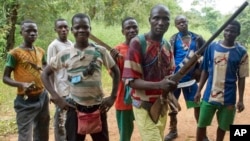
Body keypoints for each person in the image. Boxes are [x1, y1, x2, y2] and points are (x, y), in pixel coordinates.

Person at [41, 13, 120, 141]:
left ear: (90, 29)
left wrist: (112, 97)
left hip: (98, 108)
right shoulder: (64, 54)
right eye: (77, 27)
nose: (81, 30)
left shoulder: (100, 51)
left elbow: (116, 71)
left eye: (85, 27)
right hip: (74, 108)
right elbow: (45, 74)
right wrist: (56, 97)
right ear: (72, 30)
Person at [122, 4, 177, 141]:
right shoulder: (138, 43)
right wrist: (160, 85)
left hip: (162, 104)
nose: (161, 22)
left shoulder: (167, 45)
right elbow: (131, 81)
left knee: (158, 137)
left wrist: (172, 82)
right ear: (149, 20)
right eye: (156, 18)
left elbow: (170, 73)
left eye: (165, 19)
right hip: (143, 105)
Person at [194, 20, 249, 141]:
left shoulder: (242, 52)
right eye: (227, 30)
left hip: (229, 97)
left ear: (238, 33)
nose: (229, 33)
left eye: (233, 31)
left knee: (223, 127)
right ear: (223, 30)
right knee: (201, 124)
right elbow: (205, 70)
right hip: (209, 95)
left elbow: (241, 77)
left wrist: (240, 100)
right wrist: (199, 91)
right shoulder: (212, 47)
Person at [2, 20, 50, 141]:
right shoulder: (14, 54)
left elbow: (45, 67)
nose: (32, 33)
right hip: (25, 100)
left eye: (35, 31)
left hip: (42, 97)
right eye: (28, 31)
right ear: (21, 33)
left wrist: (43, 70)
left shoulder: (40, 51)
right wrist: (21, 84)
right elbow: (5, 78)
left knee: (43, 130)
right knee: (25, 136)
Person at [164, 15, 206, 141]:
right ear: (175, 25)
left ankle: (201, 132)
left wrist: (199, 69)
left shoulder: (197, 38)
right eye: (179, 23)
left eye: (184, 22)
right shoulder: (173, 39)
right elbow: (168, 58)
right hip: (175, 80)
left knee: (197, 105)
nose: (182, 24)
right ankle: (173, 131)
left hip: (191, 79)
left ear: (188, 22)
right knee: (172, 107)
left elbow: (206, 53)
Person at [110, 17, 139, 141]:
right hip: (123, 97)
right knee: (125, 132)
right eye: (128, 28)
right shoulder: (117, 50)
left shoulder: (142, 47)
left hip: (142, 96)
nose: (132, 30)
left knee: (147, 127)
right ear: (123, 31)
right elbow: (113, 75)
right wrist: (113, 61)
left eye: (134, 27)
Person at [47, 18, 73, 141]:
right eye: (60, 27)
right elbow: (49, 71)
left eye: (65, 27)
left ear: (69, 29)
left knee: (70, 121)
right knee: (60, 123)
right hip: (60, 90)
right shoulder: (53, 46)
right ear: (55, 30)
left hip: (71, 89)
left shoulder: (71, 44)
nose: (63, 29)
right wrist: (53, 93)